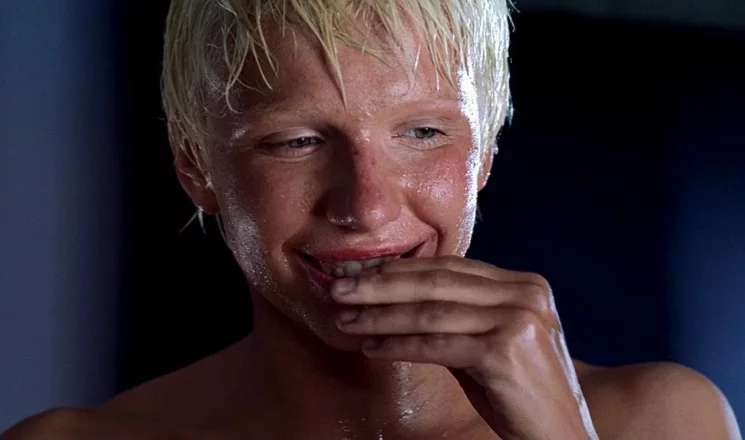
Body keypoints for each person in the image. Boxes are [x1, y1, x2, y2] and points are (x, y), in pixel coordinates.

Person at [2, 1, 741, 439]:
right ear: (197, 168)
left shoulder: (659, 422)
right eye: (296, 142)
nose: (366, 208)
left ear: (484, 153)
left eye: (422, 132)